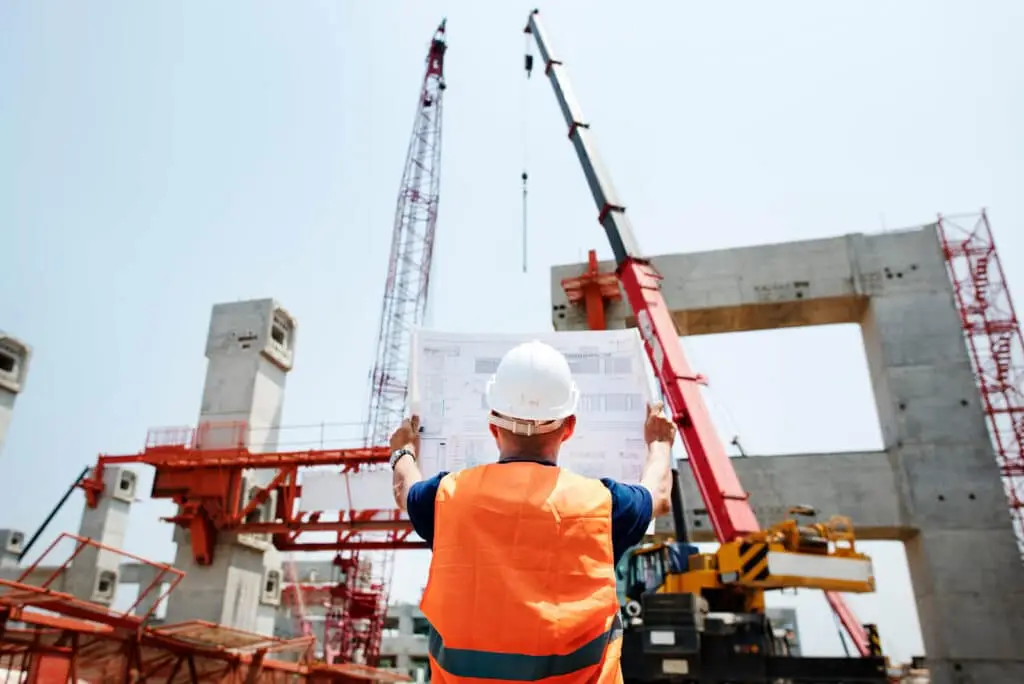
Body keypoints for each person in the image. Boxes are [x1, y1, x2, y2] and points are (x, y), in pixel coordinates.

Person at [389, 339, 676, 683]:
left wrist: (402, 451)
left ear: (493, 427)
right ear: (568, 428)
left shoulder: (446, 497)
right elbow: (658, 495)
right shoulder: (602, 504)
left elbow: (405, 490)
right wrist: (660, 444)